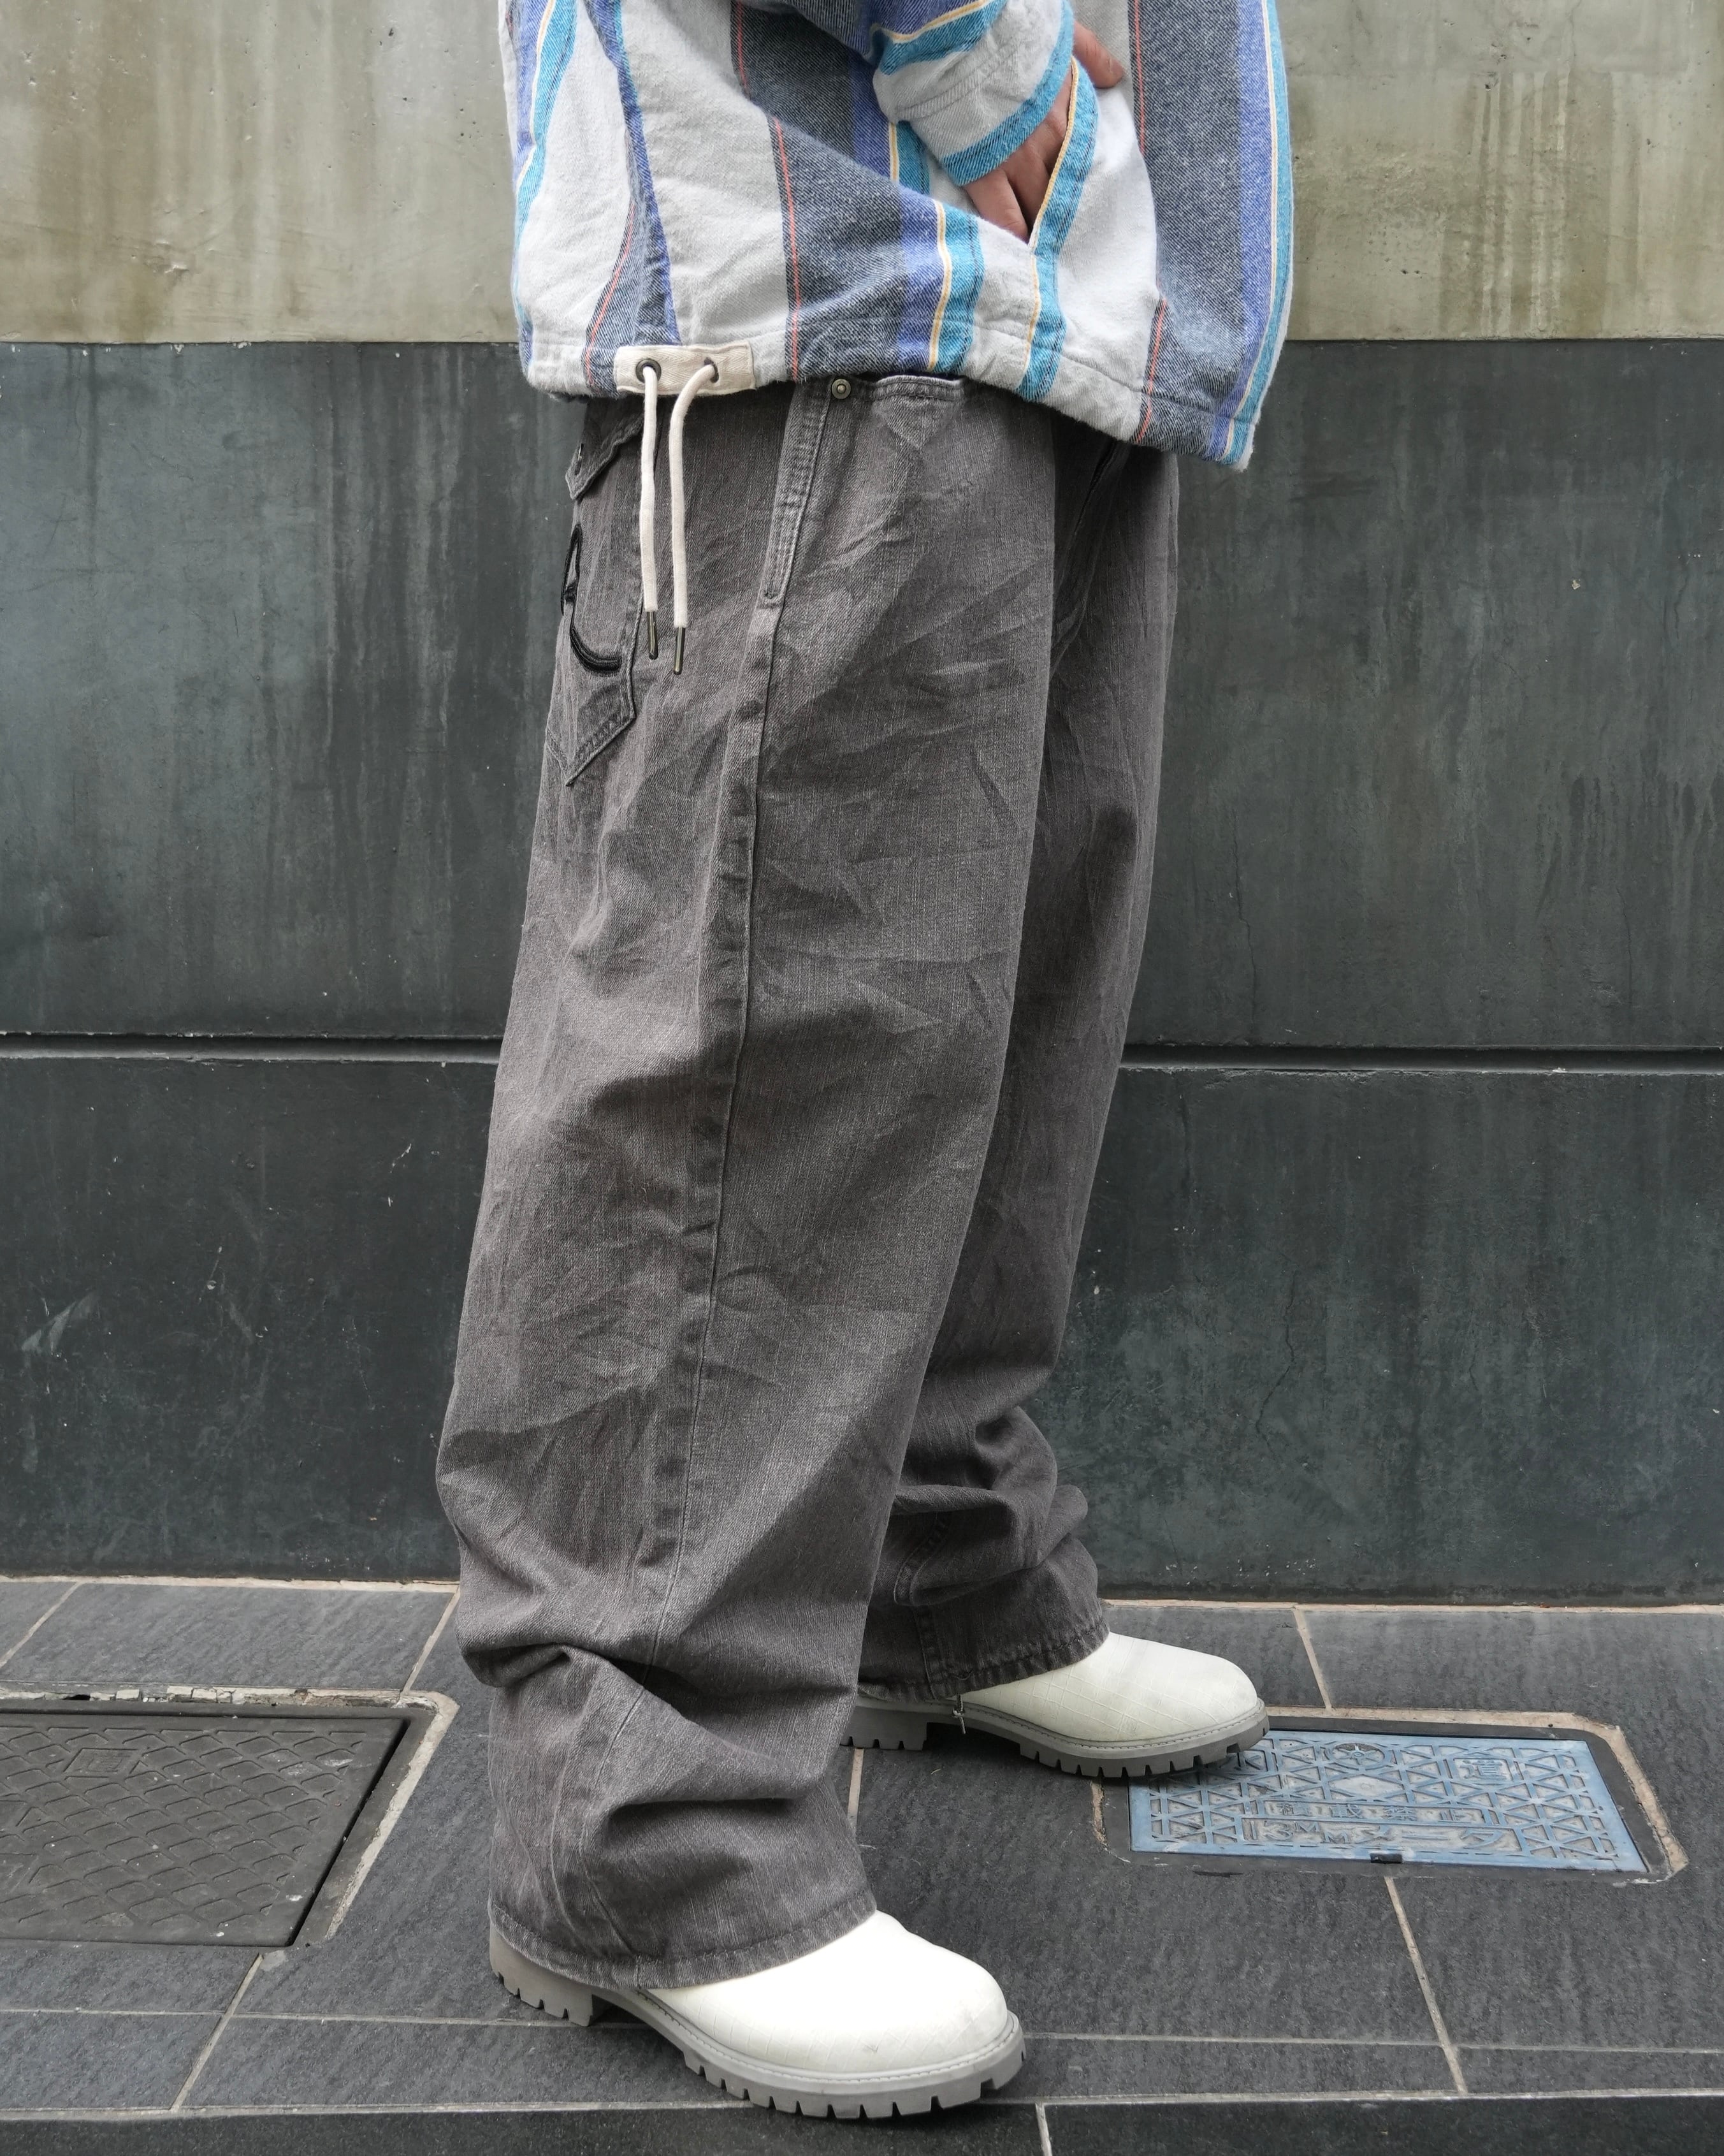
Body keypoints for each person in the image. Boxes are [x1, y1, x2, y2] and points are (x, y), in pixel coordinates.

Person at [437, 0, 1292, 2118]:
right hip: (844, 239)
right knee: (764, 1050)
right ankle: (650, 1822)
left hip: (1060, 301)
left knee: (974, 1033)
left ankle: (934, 1564)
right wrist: (976, 58)